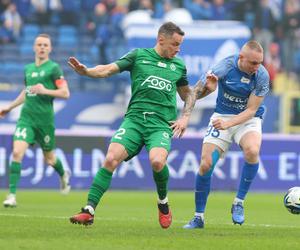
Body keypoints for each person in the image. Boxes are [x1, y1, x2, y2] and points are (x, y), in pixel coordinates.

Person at [68, 22, 214, 228]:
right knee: (110, 158)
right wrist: (87, 71)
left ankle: (163, 203)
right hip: (135, 120)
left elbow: (187, 95)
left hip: (160, 124)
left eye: (180, 45)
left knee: (157, 162)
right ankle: (89, 210)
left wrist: (190, 110)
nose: (178, 49)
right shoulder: (138, 56)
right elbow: (108, 69)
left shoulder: (178, 66)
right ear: (161, 39)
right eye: (175, 44)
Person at [178, 40, 270, 228]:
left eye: (260, 62)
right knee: (206, 164)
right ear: (241, 58)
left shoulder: (262, 75)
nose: (257, 67)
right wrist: (206, 94)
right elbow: (194, 92)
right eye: (253, 63)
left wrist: (228, 124)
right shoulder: (223, 67)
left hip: (248, 120)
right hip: (222, 115)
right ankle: (198, 217)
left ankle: (238, 203)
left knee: (252, 151)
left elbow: (251, 111)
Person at [0, 34, 71, 207]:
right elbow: (27, 91)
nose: (42, 47)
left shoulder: (54, 68)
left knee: (50, 159)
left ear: (50, 48)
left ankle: (63, 175)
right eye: (39, 44)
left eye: (45, 45)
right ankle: (12, 195)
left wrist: (45, 90)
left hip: (45, 121)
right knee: (17, 153)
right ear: (34, 47)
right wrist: (9, 107)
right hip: (27, 119)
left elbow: (65, 93)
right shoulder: (28, 68)